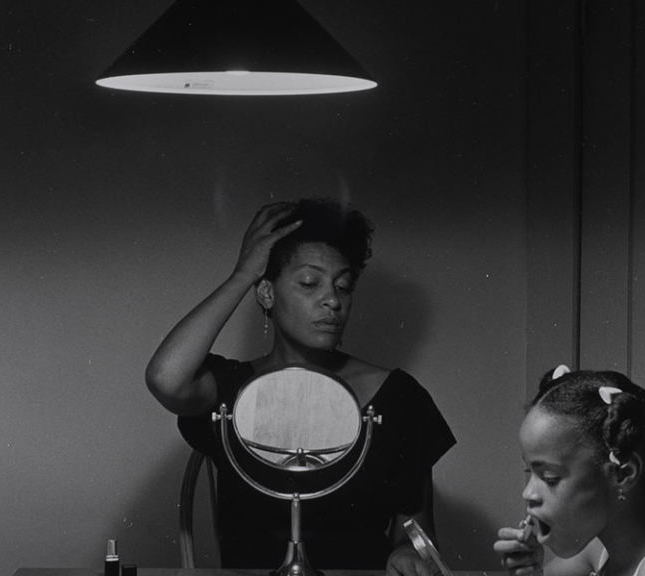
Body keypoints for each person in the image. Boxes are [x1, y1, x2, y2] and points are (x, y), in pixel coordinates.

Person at [146, 199, 456, 576]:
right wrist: (243, 275)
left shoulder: (397, 397)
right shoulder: (233, 390)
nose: (332, 300)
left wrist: (407, 553)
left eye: (343, 286)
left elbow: (417, 532)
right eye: (310, 283)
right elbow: (166, 379)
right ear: (267, 293)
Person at [494, 365, 645, 576]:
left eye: (549, 478)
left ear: (623, 473)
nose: (528, 493)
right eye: (529, 472)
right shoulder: (597, 552)